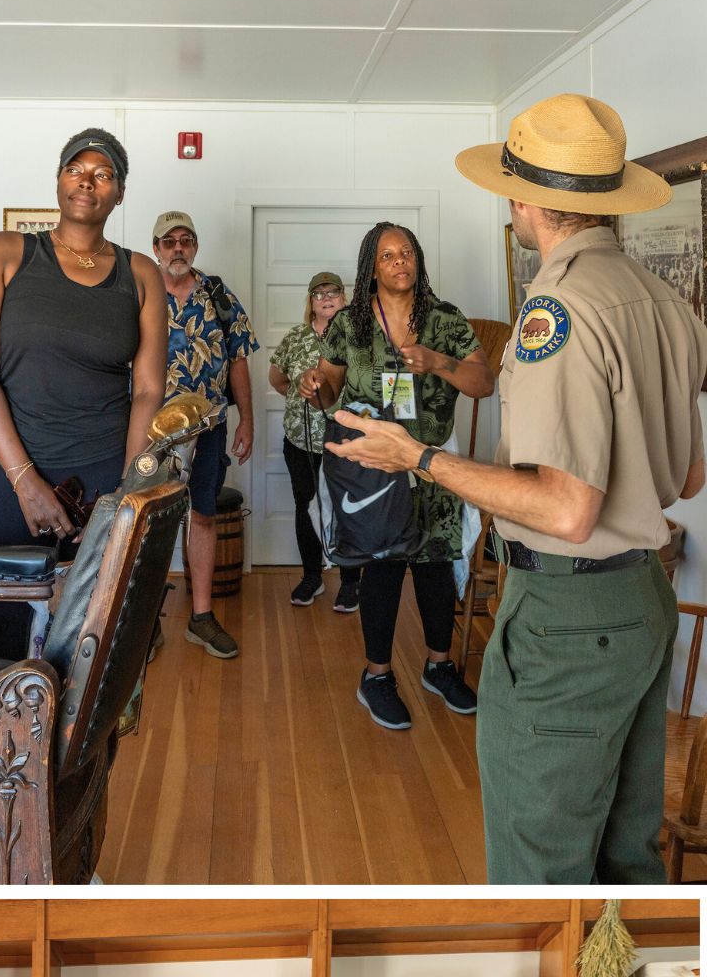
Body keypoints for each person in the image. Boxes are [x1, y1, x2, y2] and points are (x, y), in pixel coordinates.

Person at [335, 94, 707, 880]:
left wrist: (419, 458)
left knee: (540, 865)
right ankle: (619, 969)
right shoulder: (668, 302)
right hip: (643, 599)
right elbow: (685, 478)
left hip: (568, 617)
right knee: (626, 854)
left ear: (525, 202)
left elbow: (569, 510)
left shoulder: (557, 311)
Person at [0, 128, 167, 658]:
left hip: (104, 476)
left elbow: (148, 390)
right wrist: (24, 481)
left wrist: (124, 494)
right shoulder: (6, 252)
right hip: (13, 476)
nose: (87, 181)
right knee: (2, 643)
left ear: (119, 193)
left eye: (103, 174)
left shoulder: (141, 274)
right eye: (76, 169)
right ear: (58, 180)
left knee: (95, 647)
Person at [304, 222, 493, 730]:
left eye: (406, 252)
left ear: (418, 259)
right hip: (376, 470)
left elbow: (483, 383)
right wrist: (315, 386)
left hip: (434, 465)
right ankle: (377, 676)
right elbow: (330, 393)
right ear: (372, 267)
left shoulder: (445, 319)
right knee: (383, 566)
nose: (399, 261)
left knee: (435, 566)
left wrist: (439, 362)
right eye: (387, 255)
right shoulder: (350, 323)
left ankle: (439, 667)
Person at [153, 211, 259, 660]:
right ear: (156, 249)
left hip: (210, 425)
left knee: (204, 515)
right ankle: (147, 621)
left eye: (186, 240)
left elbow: (238, 359)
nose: (178, 248)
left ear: (195, 246)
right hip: (154, 432)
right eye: (169, 241)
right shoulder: (141, 293)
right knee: (150, 521)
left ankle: (200, 617)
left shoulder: (217, 294)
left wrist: (247, 419)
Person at [269, 271, 358, 609]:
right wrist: (299, 399)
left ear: (343, 297)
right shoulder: (296, 337)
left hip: (346, 441)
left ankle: (350, 583)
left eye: (332, 291)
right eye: (319, 293)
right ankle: (312, 577)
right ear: (311, 301)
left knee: (347, 508)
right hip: (300, 440)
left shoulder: (356, 335)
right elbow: (277, 379)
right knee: (306, 506)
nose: (326, 298)